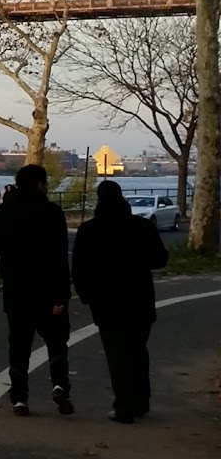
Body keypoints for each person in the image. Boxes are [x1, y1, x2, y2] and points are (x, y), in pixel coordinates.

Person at [0, 163, 74, 417]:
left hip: (17, 290)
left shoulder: (3, 212)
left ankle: (20, 398)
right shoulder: (52, 212)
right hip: (48, 290)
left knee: (19, 346)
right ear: (41, 184)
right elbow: (59, 256)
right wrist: (62, 295)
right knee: (56, 342)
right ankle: (59, 385)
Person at [72, 180, 169, 423]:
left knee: (117, 355)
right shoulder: (142, 227)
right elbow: (160, 259)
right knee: (138, 351)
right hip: (139, 298)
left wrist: (86, 296)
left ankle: (124, 405)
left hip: (106, 301)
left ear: (99, 199)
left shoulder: (89, 230)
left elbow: (79, 269)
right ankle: (141, 400)